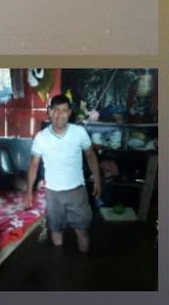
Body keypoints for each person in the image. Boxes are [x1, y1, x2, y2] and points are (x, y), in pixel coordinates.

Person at [25, 95, 101, 252]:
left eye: (64, 110)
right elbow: (33, 165)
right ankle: (58, 267)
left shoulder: (79, 132)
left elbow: (90, 155)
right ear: (50, 112)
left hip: (76, 191)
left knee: (82, 231)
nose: (60, 115)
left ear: (70, 112)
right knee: (56, 230)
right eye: (56, 110)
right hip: (52, 193)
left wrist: (98, 180)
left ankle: (83, 267)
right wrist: (29, 192)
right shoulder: (41, 138)